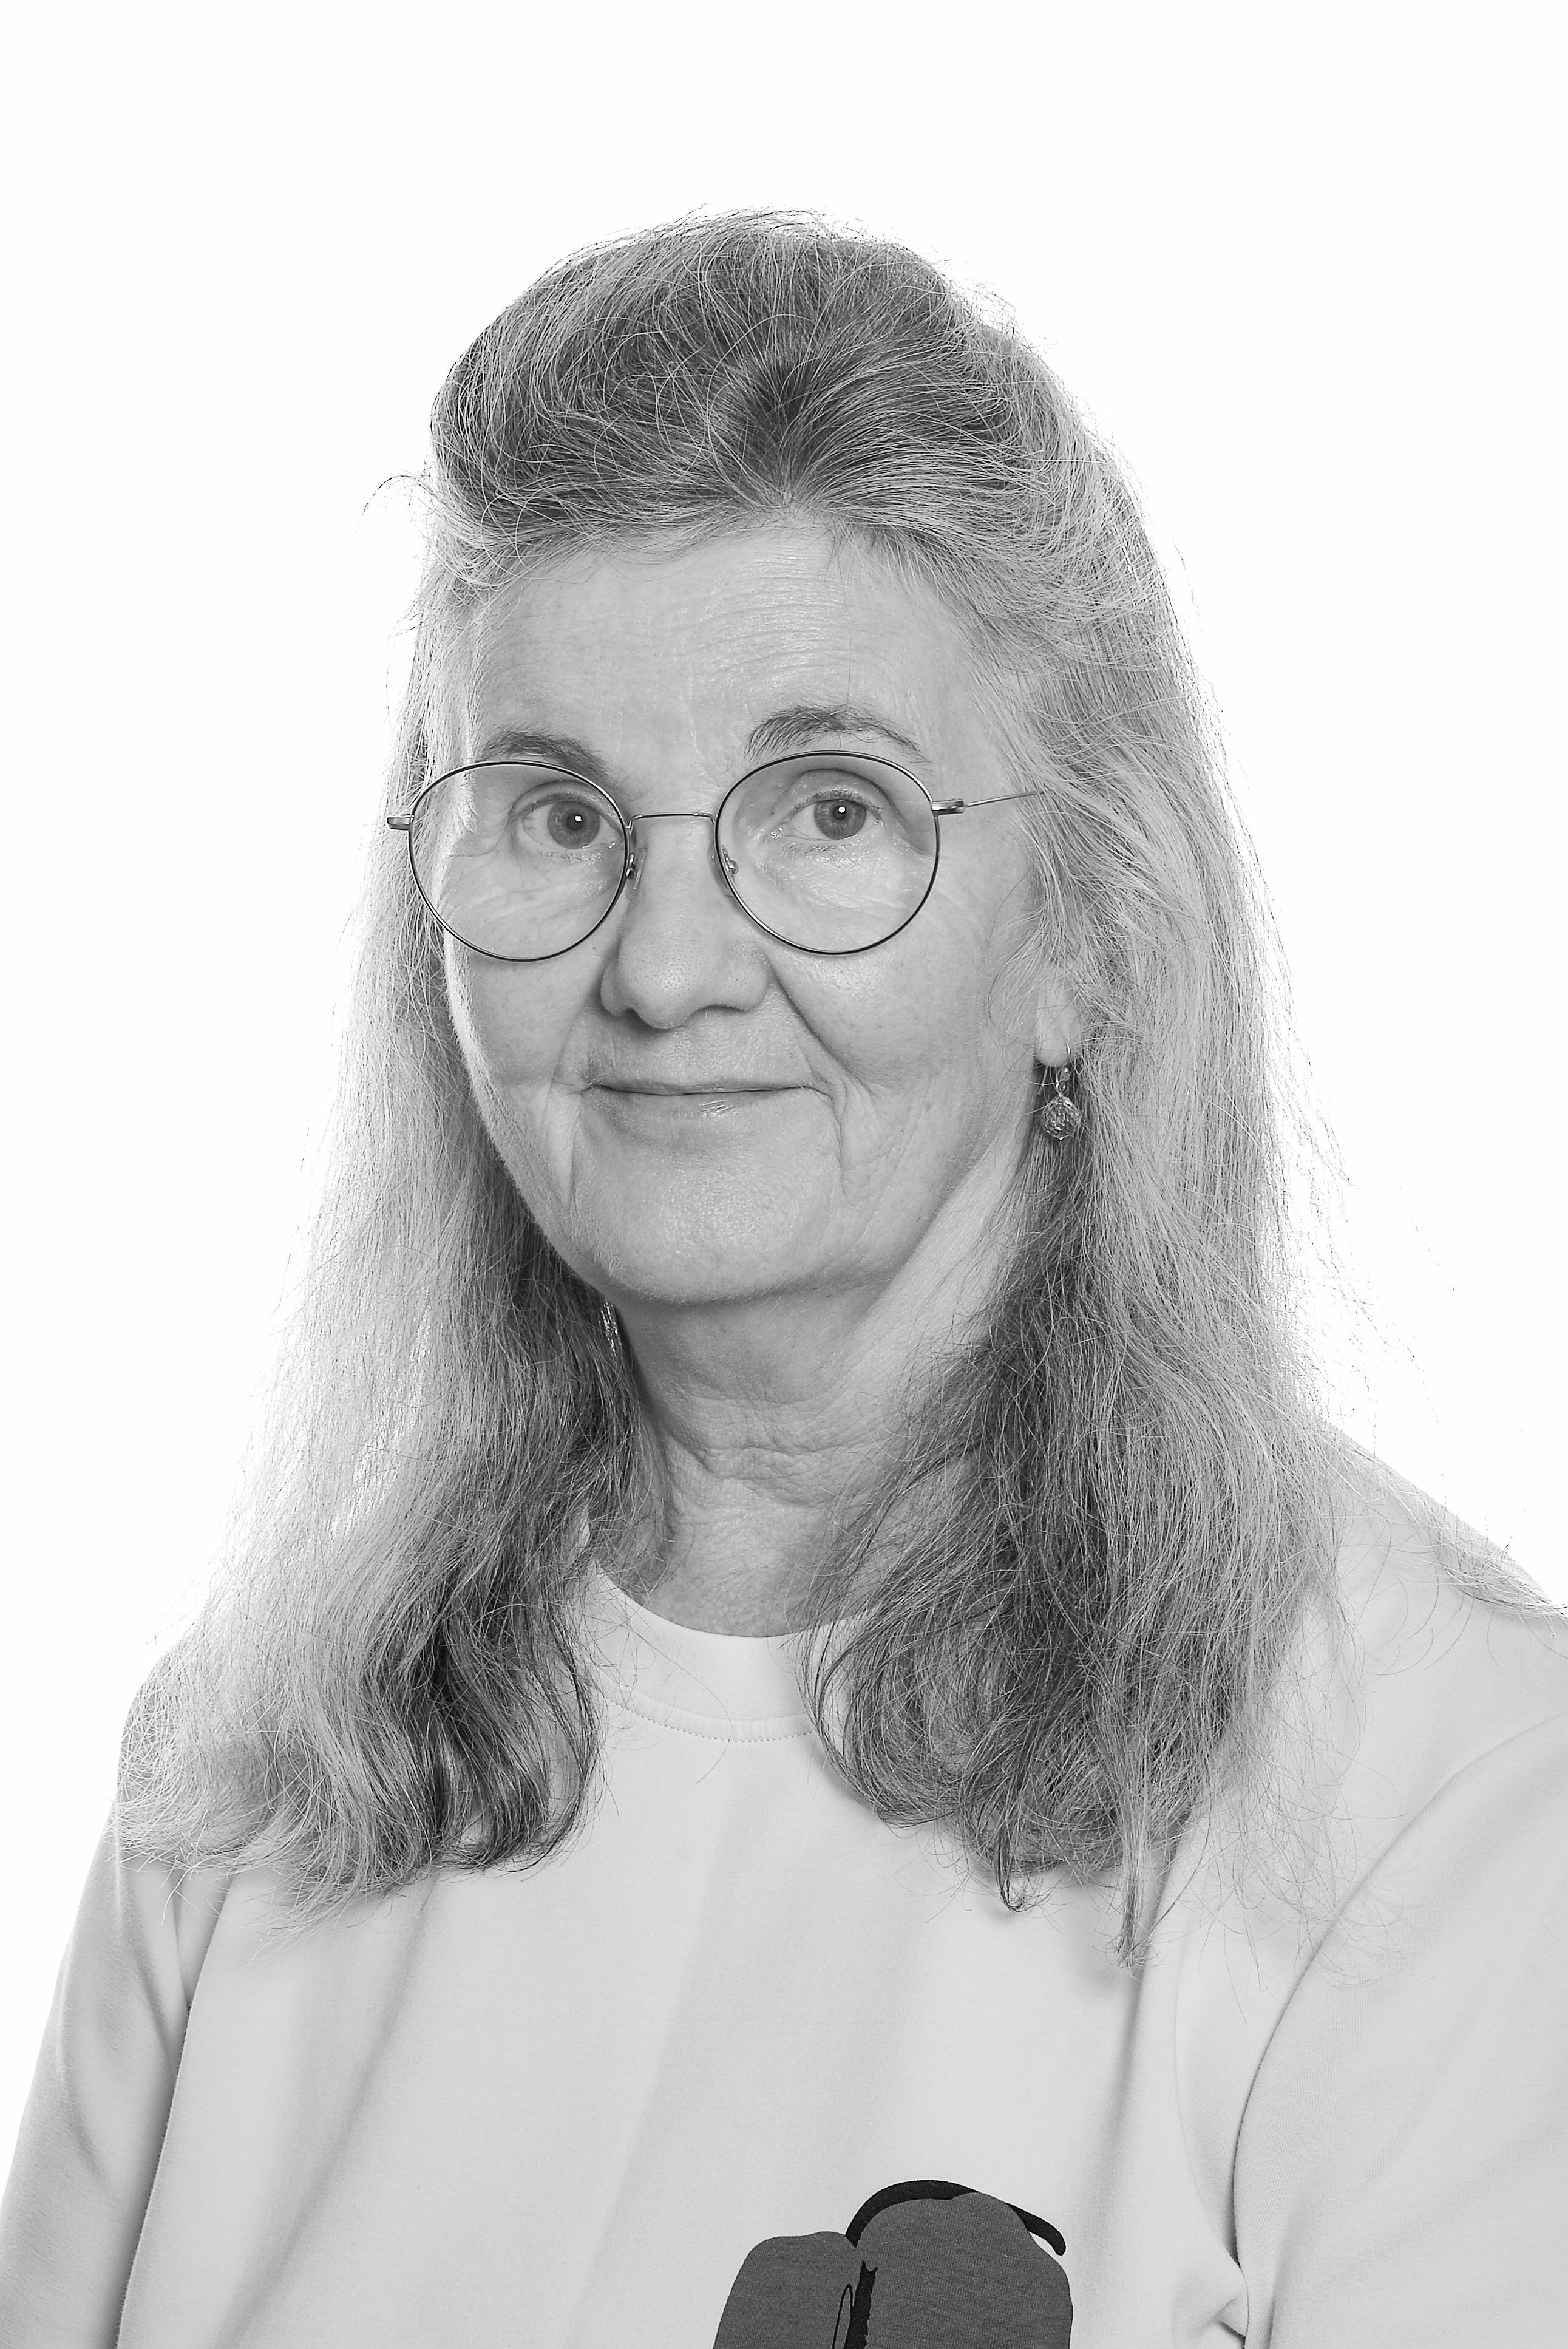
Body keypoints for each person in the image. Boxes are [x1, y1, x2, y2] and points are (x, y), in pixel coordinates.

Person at [2, 211, 1564, 2349]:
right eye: (559, 815)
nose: (663, 968)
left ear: (1090, 930)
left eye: (829, 811)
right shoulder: (250, 1768)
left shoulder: (1443, 1804)